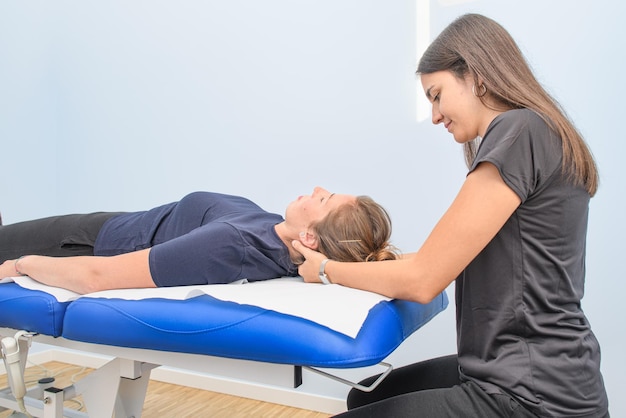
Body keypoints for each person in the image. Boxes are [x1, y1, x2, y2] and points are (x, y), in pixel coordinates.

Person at [292, 14, 609, 418]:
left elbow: (425, 279)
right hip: (523, 371)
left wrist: (325, 270)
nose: (436, 115)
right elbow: (447, 257)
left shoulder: (520, 130)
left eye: (437, 95)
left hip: (532, 395)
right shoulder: (535, 131)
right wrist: (363, 261)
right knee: (364, 397)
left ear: (475, 75)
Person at [0, 187, 397, 294]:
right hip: (109, 226)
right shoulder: (273, 233)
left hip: (82, 244)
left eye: (324, 199)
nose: (317, 188)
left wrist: (22, 265)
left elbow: (94, 277)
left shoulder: (232, 245)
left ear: (309, 237)